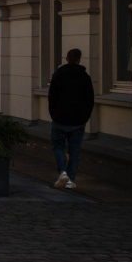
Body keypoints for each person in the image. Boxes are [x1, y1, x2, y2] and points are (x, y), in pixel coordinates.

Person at [48, 48, 95, 189]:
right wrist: (85, 117)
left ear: (67, 59)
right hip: (78, 121)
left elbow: (52, 98)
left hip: (60, 119)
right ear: (79, 59)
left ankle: (63, 173)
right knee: (74, 151)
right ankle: (70, 180)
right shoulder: (85, 77)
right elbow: (90, 100)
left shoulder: (58, 76)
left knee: (58, 147)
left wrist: (54, 114)